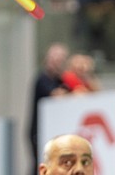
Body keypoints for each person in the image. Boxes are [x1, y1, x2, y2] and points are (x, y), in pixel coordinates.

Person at [29, 43, 70, 174]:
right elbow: (56, 95)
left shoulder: (60, 80)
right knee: (40, 163)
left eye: (60, 60)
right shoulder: (42, 79)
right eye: (55, 59)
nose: (57, 63)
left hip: (53, 131)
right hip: (38, 130)